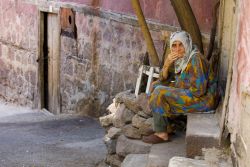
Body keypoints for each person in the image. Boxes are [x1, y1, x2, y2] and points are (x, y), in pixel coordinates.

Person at [142, 31, 218, 144]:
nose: (177, 49)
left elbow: (199, 90)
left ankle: (162, 134)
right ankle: (166, 127)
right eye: (174, 45)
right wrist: (167, 64)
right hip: (194, 94)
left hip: (204, 100)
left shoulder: (196, 59)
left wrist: (175, 91)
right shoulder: (181, 59)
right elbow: (163, 79)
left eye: (180, 44)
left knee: (160, 92)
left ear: (187, 44)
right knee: (156, 86)